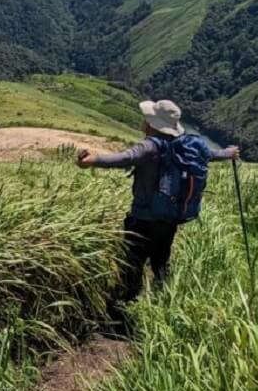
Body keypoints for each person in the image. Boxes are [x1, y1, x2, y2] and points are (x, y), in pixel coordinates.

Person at [76, 99, 239, 305]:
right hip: (169, 219)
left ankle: (127, 305)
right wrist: (229, 153)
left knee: (133, 263)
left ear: (151, 124)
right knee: (161, 262)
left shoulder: (150, 146)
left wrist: (93, 160)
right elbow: (211, 155)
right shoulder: (186, 146)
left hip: (142, 220)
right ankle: (164, 302)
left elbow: (125, 158)